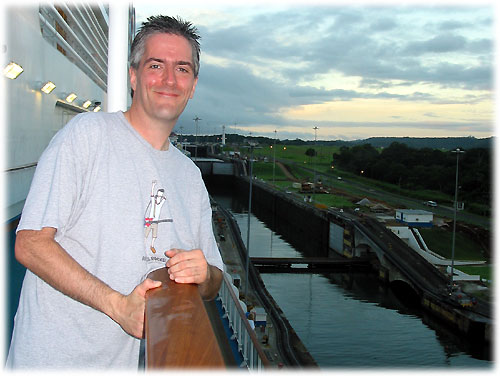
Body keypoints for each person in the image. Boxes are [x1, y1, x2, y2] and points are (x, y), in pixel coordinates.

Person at [7, 15, 223, 369]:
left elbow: (213, 281)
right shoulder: (87, 135)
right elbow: (30, 243)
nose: (169, 79)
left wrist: (204, 274)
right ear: (134, 76)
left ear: (193, 84)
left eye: (182, 69)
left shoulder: (190, 176)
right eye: (157, 65)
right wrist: (116, 304)